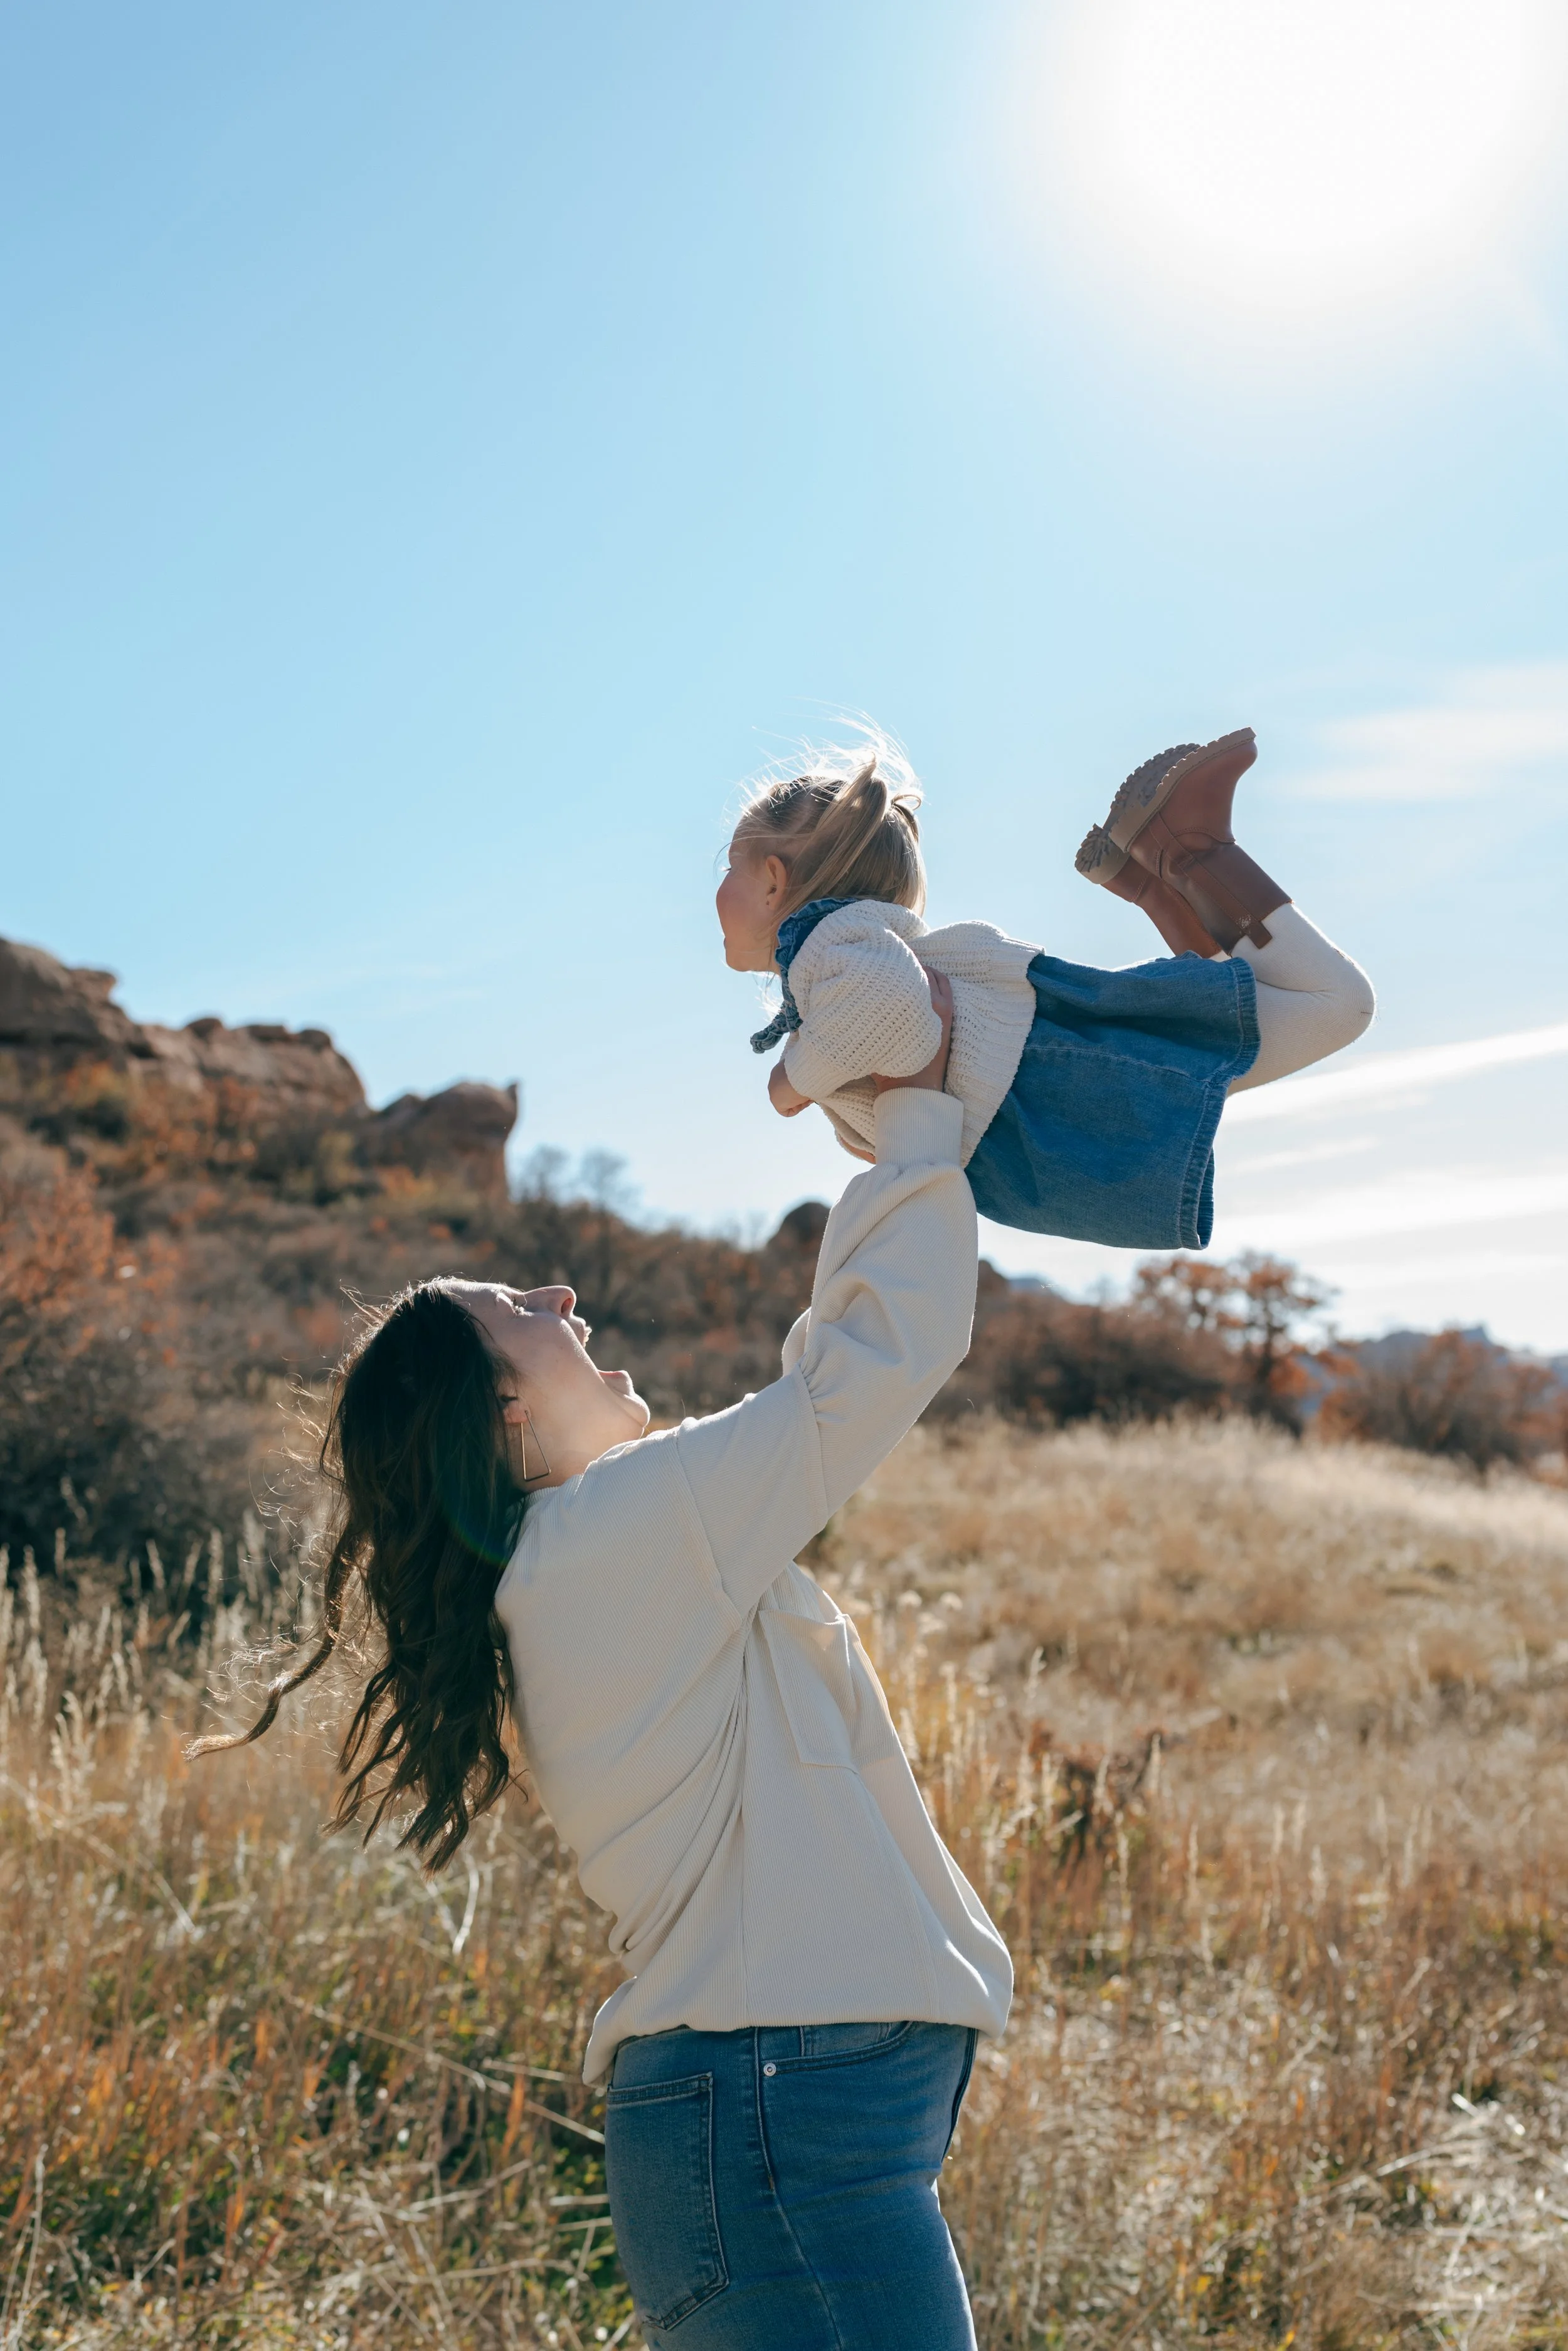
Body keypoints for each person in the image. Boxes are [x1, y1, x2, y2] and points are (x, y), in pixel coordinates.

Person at [196, 975, 1009, 2350]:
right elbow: (875, 1358)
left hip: (774, 2123)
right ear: (505, 1403)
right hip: (779, 2125)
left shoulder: (590, 1554)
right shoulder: (615, 1534)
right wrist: (914, 1115)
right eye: (516, 1304)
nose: (558, 1289)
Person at [718, 727, 1375, 1249]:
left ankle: (1188, 852)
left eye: (729, 867)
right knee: (1224, 1036)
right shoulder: (839, 956)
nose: (716, 889)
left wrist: (790, 1082)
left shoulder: (824, 945)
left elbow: (897, 1015)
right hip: (1039, 1078)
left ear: (775, 880)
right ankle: (1159, 879)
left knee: (1336, 1005)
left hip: (1044, 1082)